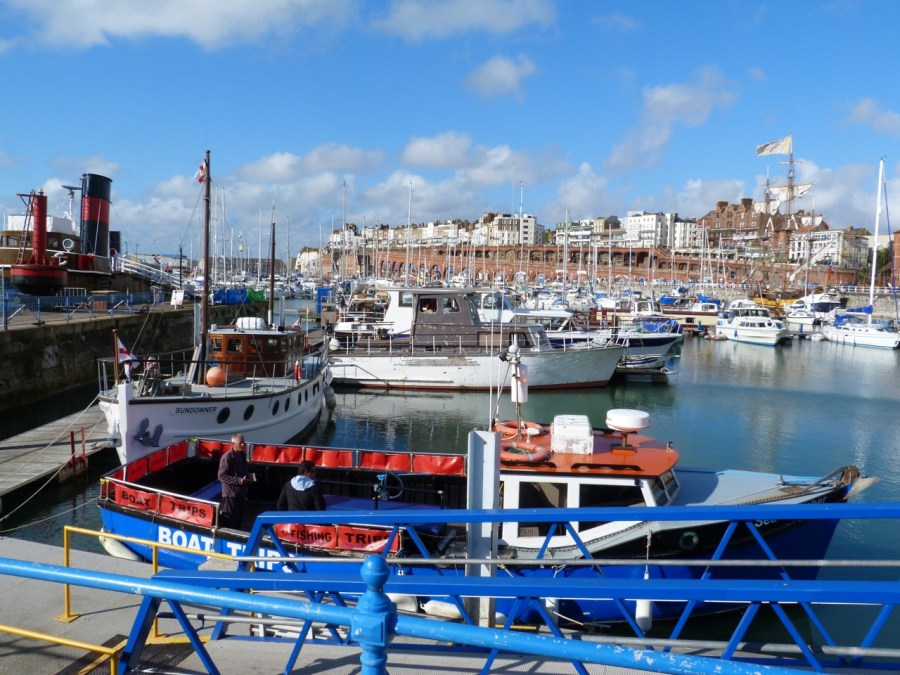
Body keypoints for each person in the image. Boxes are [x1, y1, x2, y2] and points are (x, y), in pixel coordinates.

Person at [218, 433, 250, 528]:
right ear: (233, 444)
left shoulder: (243, 455)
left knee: (238, 521)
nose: (243, 445)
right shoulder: (227, 457)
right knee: (229, 522)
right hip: (230, 496)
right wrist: (238, 481)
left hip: (241, 495)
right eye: (240, 443)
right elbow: (221, 476)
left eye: (243, 443)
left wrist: (249, 477)